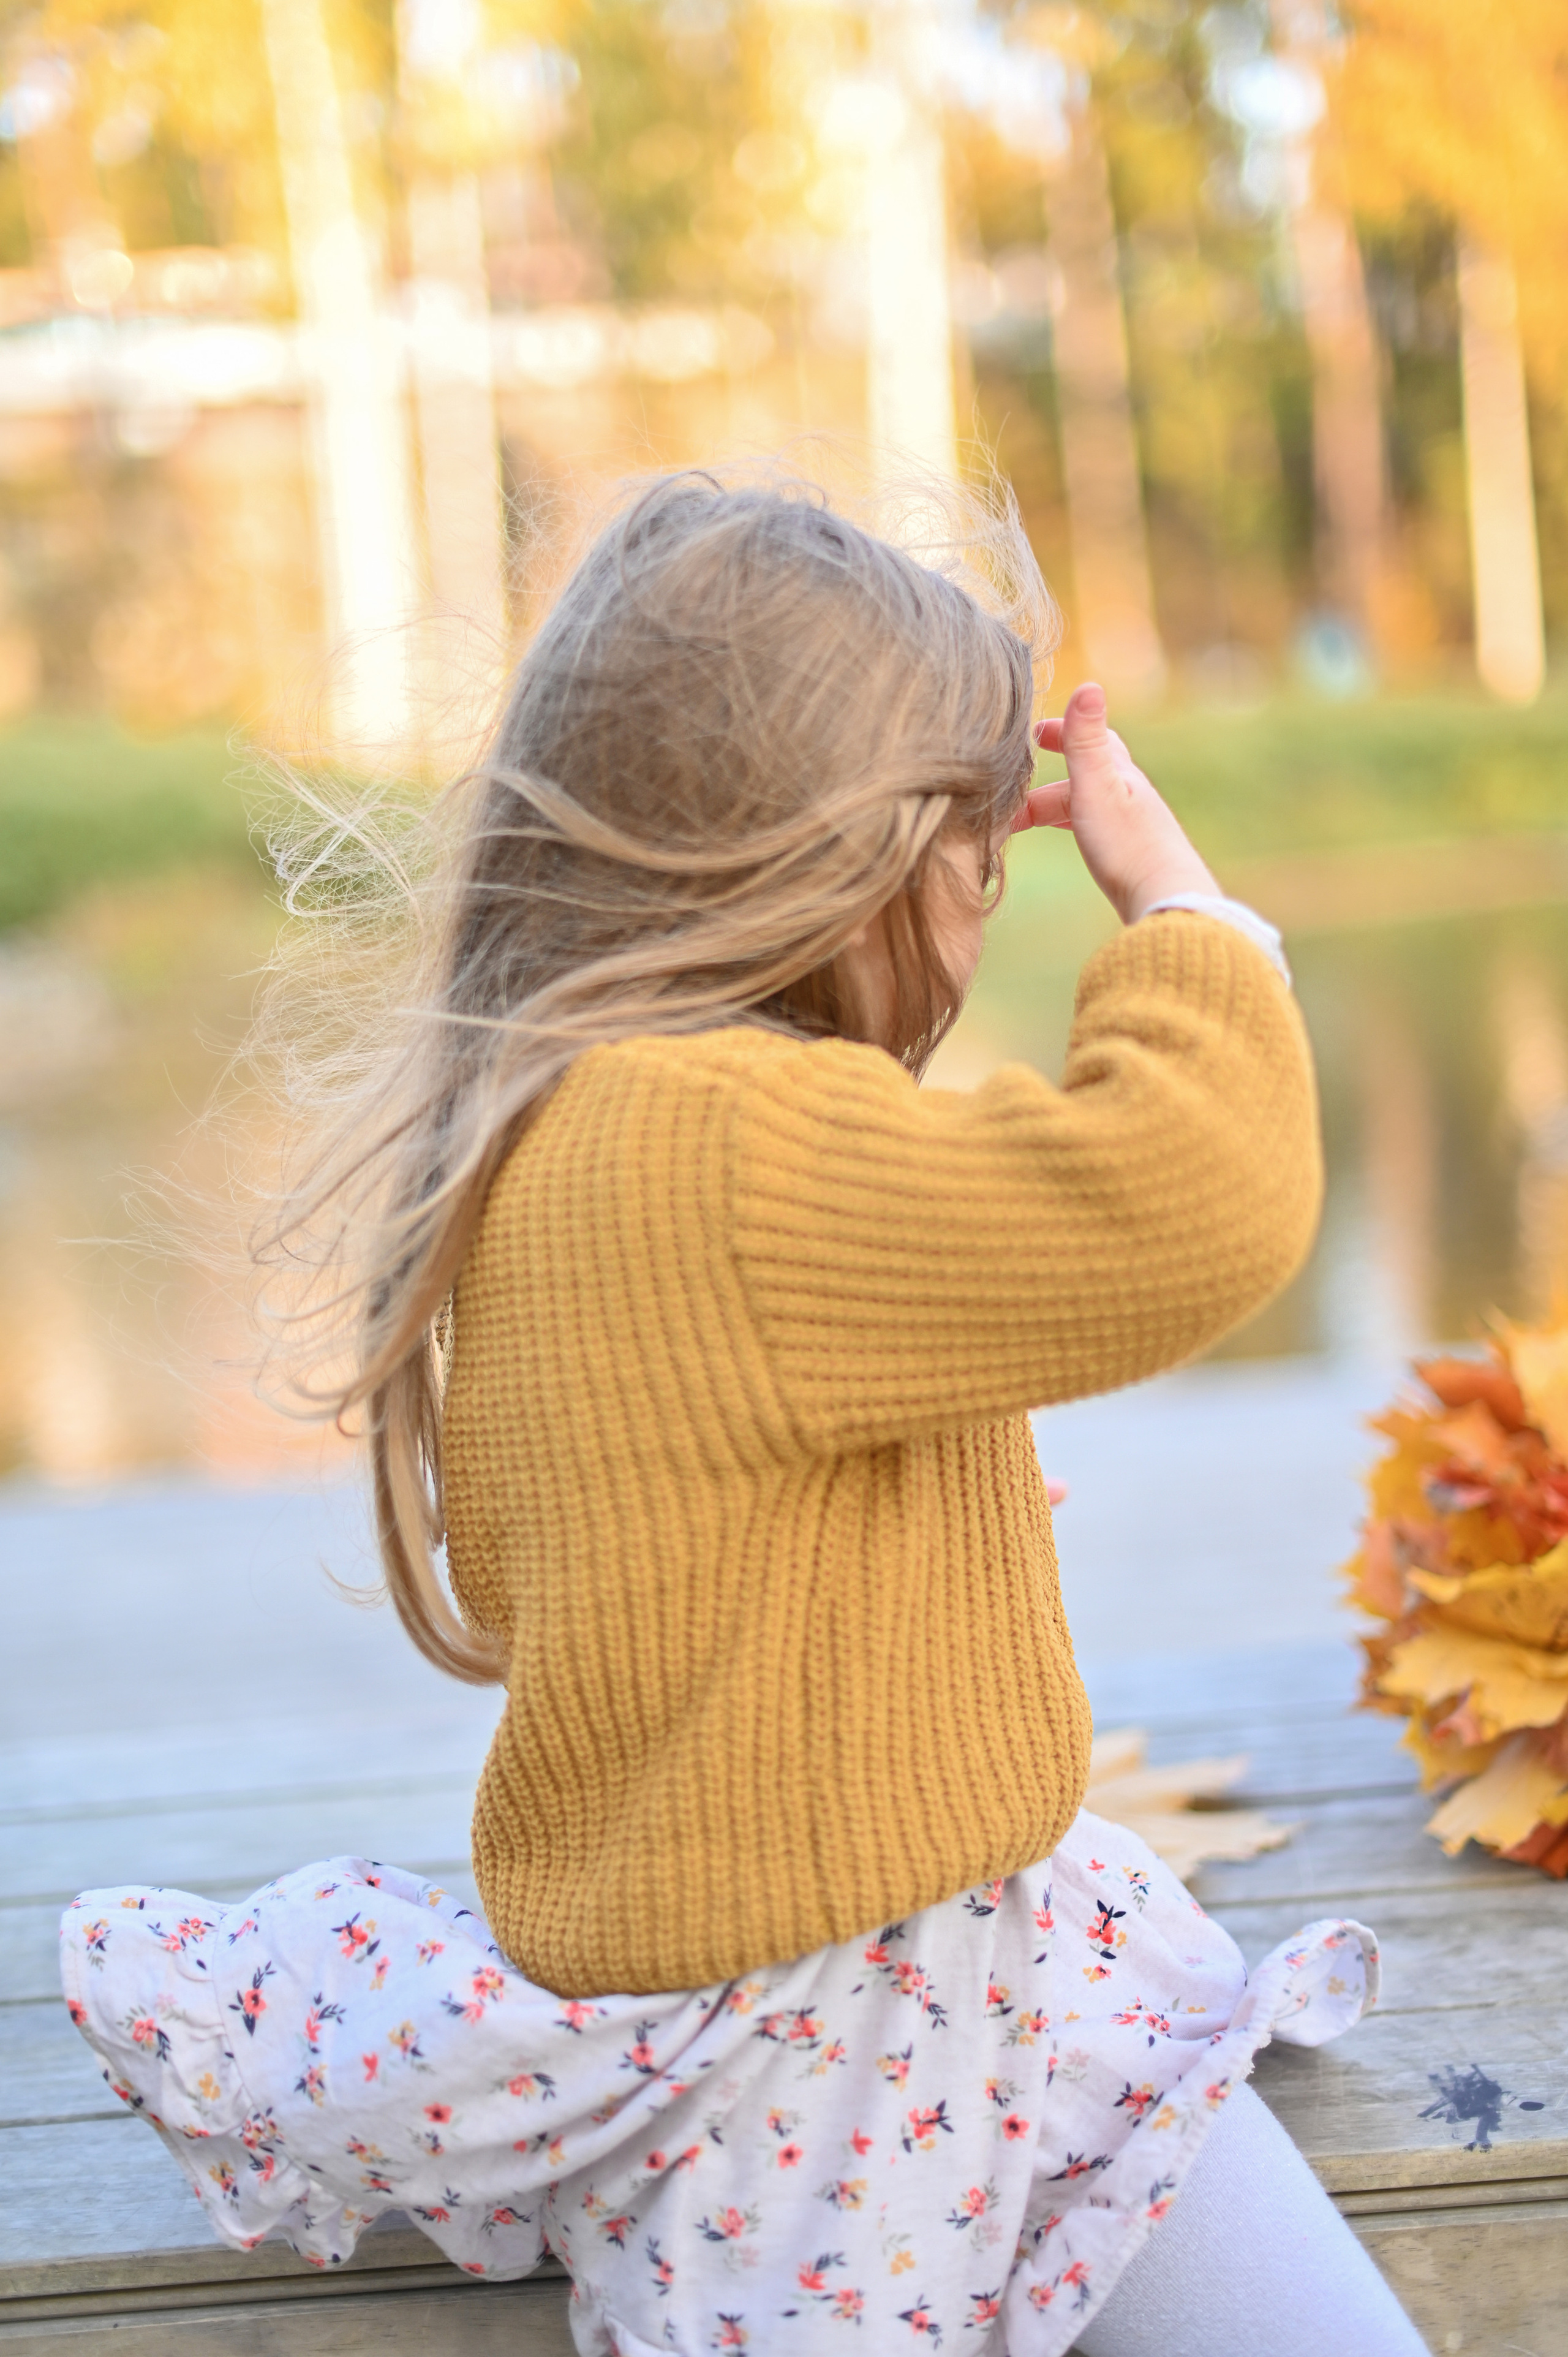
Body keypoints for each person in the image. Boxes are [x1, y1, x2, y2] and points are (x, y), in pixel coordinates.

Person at [61, 471, 1428, 2356]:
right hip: (821, 2059)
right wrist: (1190, 917)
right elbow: (1191, 1202)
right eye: (975, 869)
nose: (981, 916)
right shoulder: (703, 1144)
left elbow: (702, 1551)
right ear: (835, 862)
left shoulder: (606, 1120)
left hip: (995, 1940)